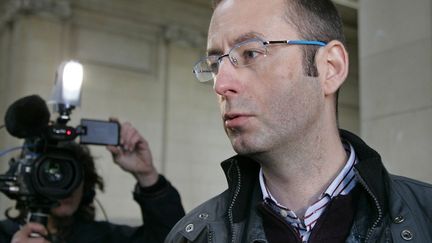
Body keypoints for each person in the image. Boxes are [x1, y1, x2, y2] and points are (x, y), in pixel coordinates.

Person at [165, 0, 432, 242]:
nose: (221, 84)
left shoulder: (425, 217)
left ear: (330, 67)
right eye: (215, 64)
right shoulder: (191, 237)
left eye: (250, 54)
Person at [0, 121, 185, 243]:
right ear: (29, 180)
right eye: (52, 175)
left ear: (86, 186)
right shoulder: (4, 234)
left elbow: (174, 239)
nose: (64, 187)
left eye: (71, 175)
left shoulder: (105, 238)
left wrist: (147, 175)